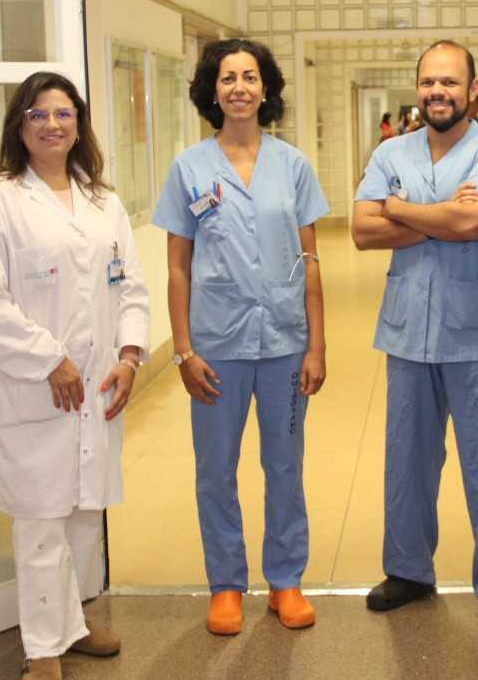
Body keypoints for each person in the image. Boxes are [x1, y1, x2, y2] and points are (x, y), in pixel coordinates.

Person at [0, 71, 150, 680]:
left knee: (81, 513)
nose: (51, 125)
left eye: (63, 114)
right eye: (38, 115)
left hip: (95, 386)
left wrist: (128, 356)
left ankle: (74, 623)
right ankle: (42, 647)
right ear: (20, 125)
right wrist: (52, 359)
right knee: (40, 518)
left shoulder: (102, 200)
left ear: (79, 124)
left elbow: (131, 287)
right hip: (36, 386)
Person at [351, 39, 478, 634]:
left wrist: (398, 208)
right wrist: (437, 217)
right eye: (429, 82)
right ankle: (408, 571)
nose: (437, 93)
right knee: (405, 461)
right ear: (417, 88)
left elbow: (473, 222)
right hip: (407, 333)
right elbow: (360, 231)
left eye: (450, 83)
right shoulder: (391, 151)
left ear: (472, 90)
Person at [152, 38, 328, 636]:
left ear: (265, 88)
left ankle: (285, 580)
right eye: (228, 78)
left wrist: (317, 345)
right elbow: (177, 266)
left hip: (283, 342)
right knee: (216, 469)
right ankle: (226, 584)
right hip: (217, 346)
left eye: (250, 77)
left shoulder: (293, 165)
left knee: (285, 466)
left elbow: (310, 258)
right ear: (212, 90)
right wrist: (182, 349)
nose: (240, 88)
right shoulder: (190, 168)